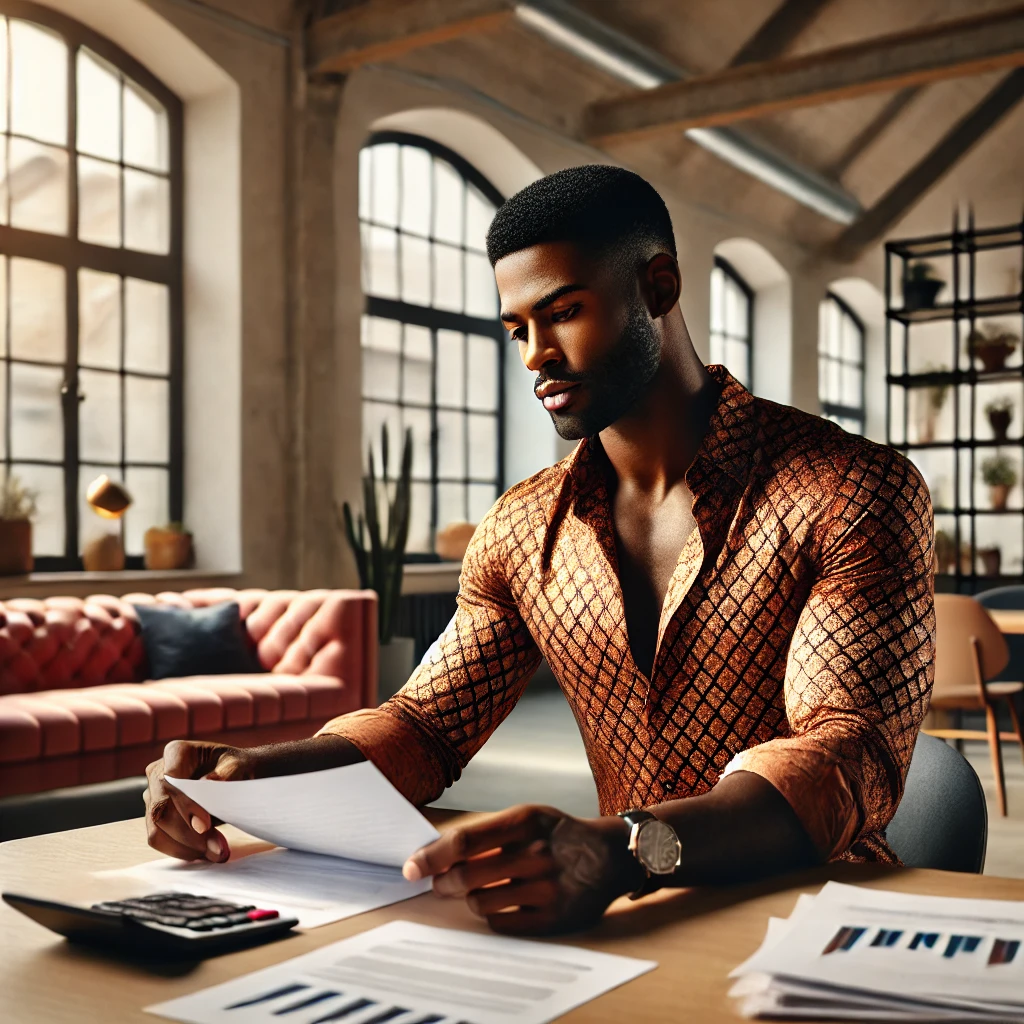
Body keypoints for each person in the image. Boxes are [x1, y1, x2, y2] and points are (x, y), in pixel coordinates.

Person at [144, 166, 935, 936]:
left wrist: (625, 850)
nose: (534, 355)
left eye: (563, 312)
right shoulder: (522, 529)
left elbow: (845, 754)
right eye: (518, 328)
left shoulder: (853, 491)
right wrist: (249, 776)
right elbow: (426, 727)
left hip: (817, 922)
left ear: (658, 288)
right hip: (620, 924)